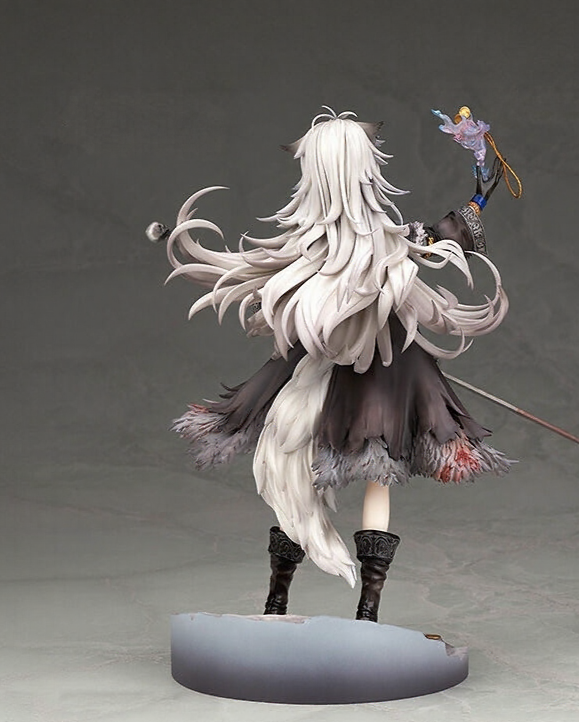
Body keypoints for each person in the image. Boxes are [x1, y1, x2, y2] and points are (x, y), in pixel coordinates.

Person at [148, 108, 512, 622]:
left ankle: (305, 606)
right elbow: (436, 239)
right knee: (337, 469)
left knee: (364, 469)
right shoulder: (348, 243)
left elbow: (434, 239)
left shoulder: (359, 242)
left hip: (377, 363)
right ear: (367, 168)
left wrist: (475, 204)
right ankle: (337, 610)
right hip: (353, 367)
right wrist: (476, 204)